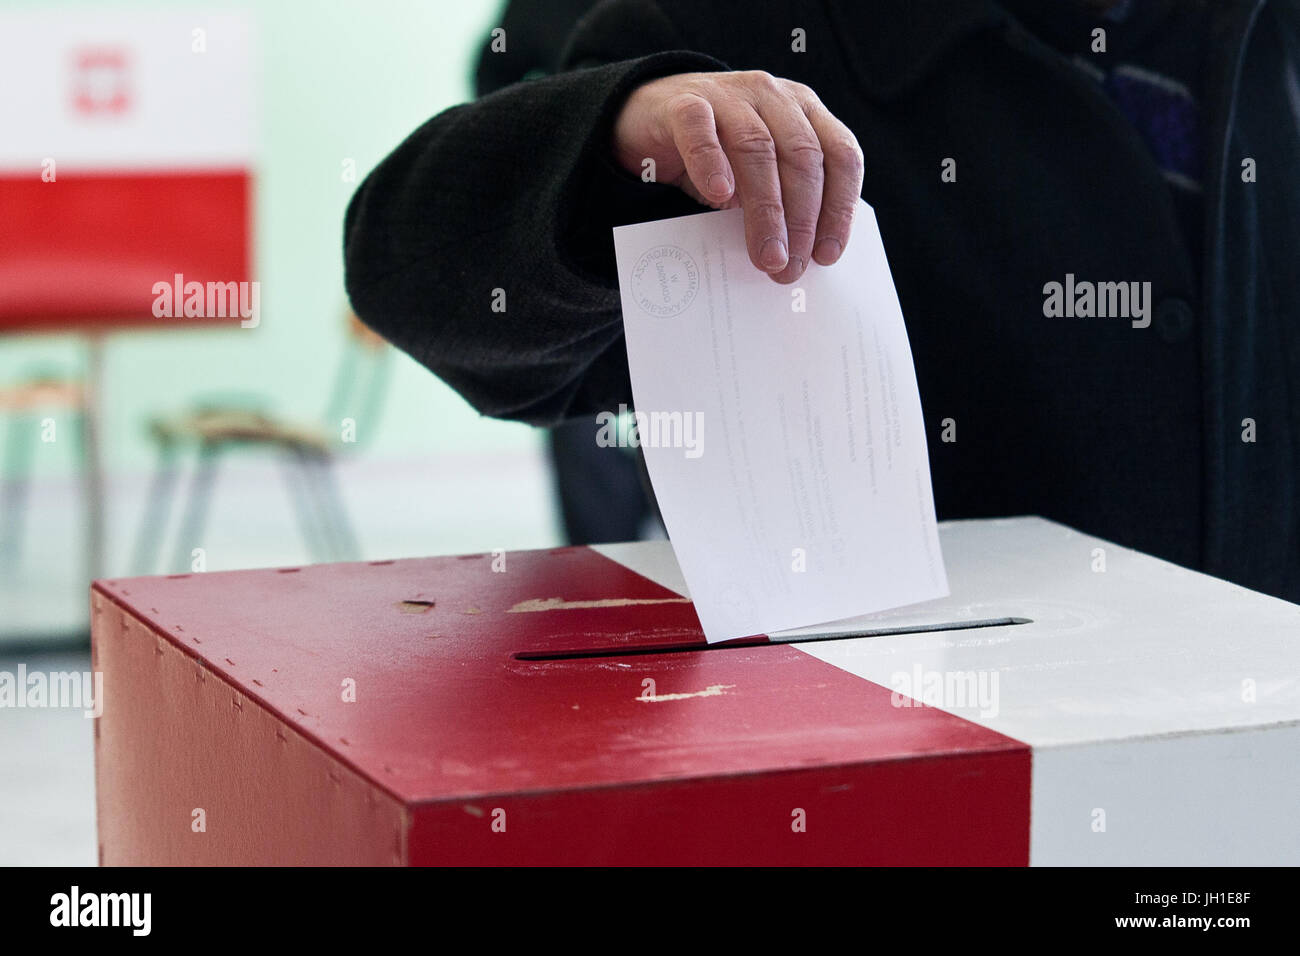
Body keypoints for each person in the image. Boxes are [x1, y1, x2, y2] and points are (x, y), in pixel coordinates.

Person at [344, 0, 1300, 602]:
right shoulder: (752, 34)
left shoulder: (1261, 39)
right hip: (924, 774)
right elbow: (406, 265)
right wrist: (612, 144)